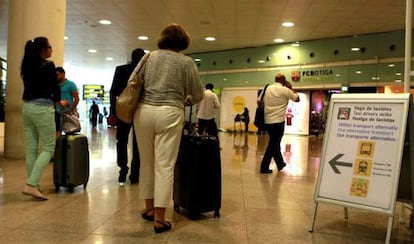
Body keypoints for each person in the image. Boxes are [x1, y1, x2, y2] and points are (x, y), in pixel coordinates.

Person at [133, 23, 204, 234]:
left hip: (144, 112)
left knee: (146, 163)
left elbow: (133, 81)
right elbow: (198, 94)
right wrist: (187, 99)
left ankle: (148, 209)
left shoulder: (148, 57)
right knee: (164, 165)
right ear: (183, 41)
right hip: (170, 113)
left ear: (163, 38)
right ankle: (160, 219)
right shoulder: (186, 62)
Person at [20, 37, 69, 200]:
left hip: (27, 108)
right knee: (49, 147)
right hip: (42, 108)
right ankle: (32, 184)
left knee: (31, 148)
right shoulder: (48, 65)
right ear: (42, 49)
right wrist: (58, 101)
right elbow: (54, 87)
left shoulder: (26, 65)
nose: (51, 50)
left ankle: (35, 186)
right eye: (50, 47)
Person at [110, 48, 145, 185]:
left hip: (123, 109)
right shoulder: (144, 72)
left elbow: (113, 92)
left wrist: (113, 111)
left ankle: (123, 168)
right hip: (139, 110)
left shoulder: (121, 69)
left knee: (122, 140)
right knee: (138, 143)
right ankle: (135, 174)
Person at [260, 73, 300, 174]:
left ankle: (280, 163)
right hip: (278, 121)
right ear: (283, 81)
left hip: (267, 121)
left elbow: (258, 101)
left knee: (275, 143)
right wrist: (290, 88)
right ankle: (264, 167)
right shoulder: (285, 90)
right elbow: (297, 99)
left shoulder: (267, 88)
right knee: (273, 144)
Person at [55, 67, 79, 137]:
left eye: (57, 75)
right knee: (57, 133)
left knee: (69, 133)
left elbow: (77, 99)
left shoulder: (71, 84)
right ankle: (58, 147)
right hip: (57, 112)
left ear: (63, 74)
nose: (56, 77)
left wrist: (71, 110)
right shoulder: (55, 85)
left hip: (67, 113)